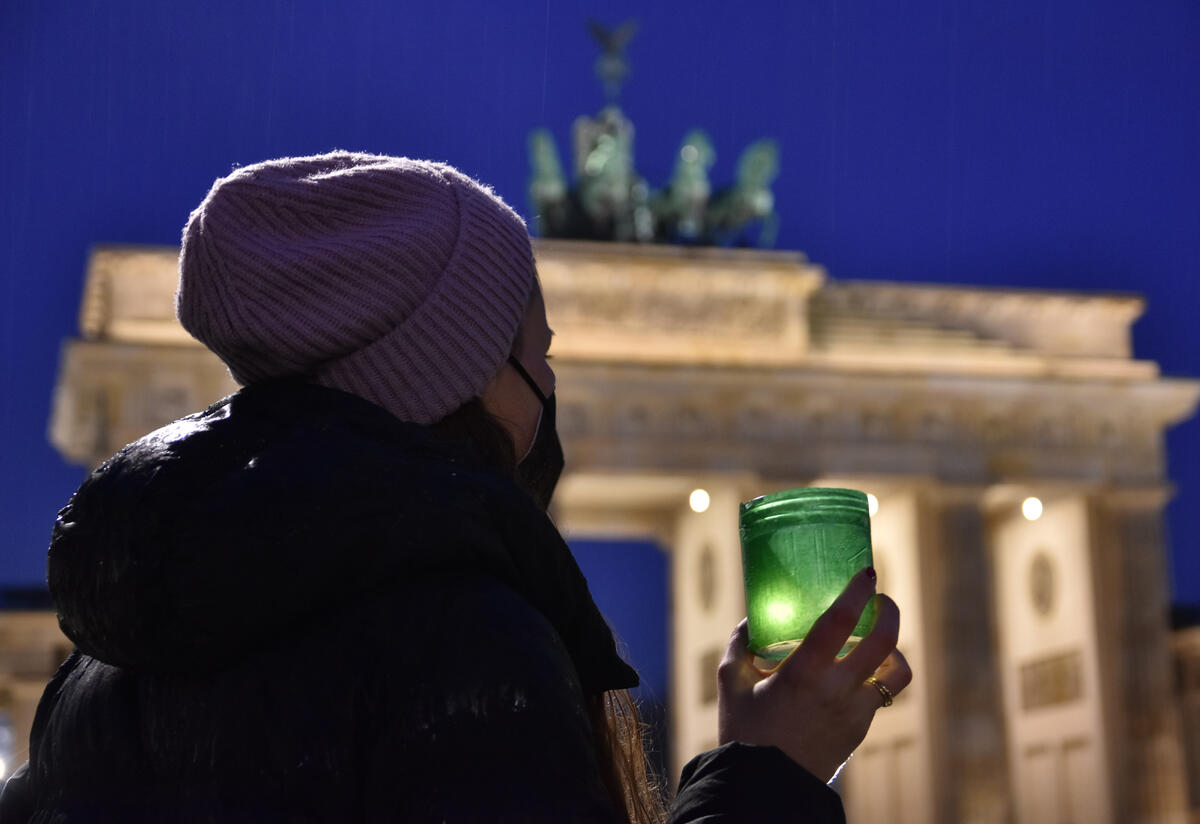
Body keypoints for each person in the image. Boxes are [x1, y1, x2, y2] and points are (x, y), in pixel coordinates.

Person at [0, 152, 910, 823]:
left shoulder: (101, 664)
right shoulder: (455, 642)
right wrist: (773, 772)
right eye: (538, 354)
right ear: (453, 373)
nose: (551, 389)